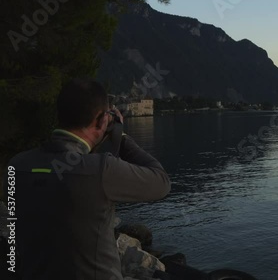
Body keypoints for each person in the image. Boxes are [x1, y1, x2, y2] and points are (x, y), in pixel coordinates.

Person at [3, 78, 171, 280]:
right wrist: (121, 136)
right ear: (102, 120)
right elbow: (161, 182)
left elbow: (14, 228)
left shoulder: (16, 166)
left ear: (59, 116)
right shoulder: (102, 170)